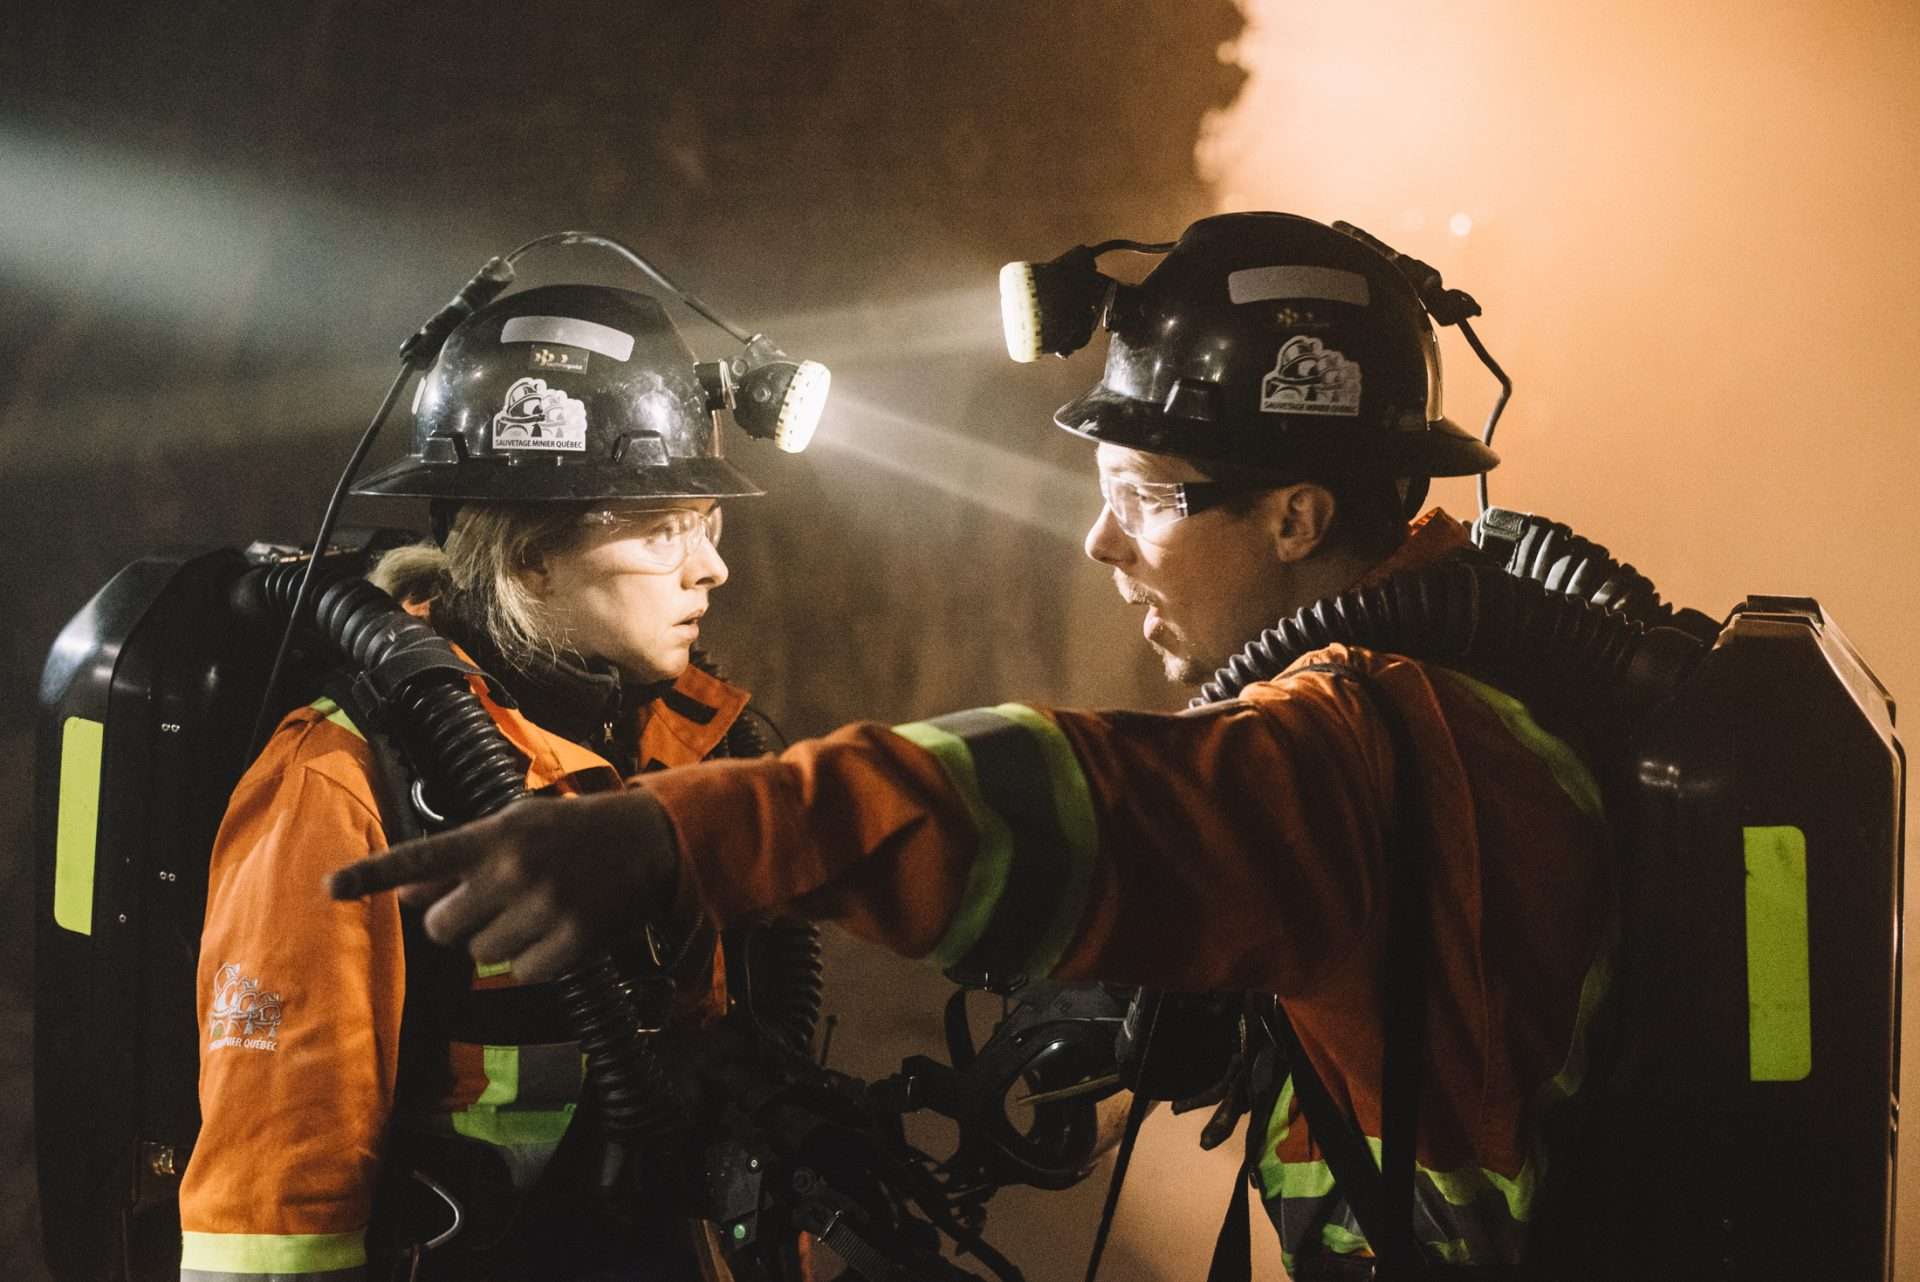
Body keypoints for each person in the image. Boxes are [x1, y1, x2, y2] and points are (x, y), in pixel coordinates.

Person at [332, 214, 1615, 1279]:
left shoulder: (1364, 743)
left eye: (1139, 500)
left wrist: (681, 831)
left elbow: (1077, 801)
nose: (1102, 546)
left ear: (1296, 516)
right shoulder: (1478, 688)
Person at [179, 283, 784, 1282]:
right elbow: (272, 1212)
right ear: (532, 557)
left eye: (710, 519)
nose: (710, 567)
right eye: (664, 527)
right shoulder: (343, 784)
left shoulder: (685, 747)